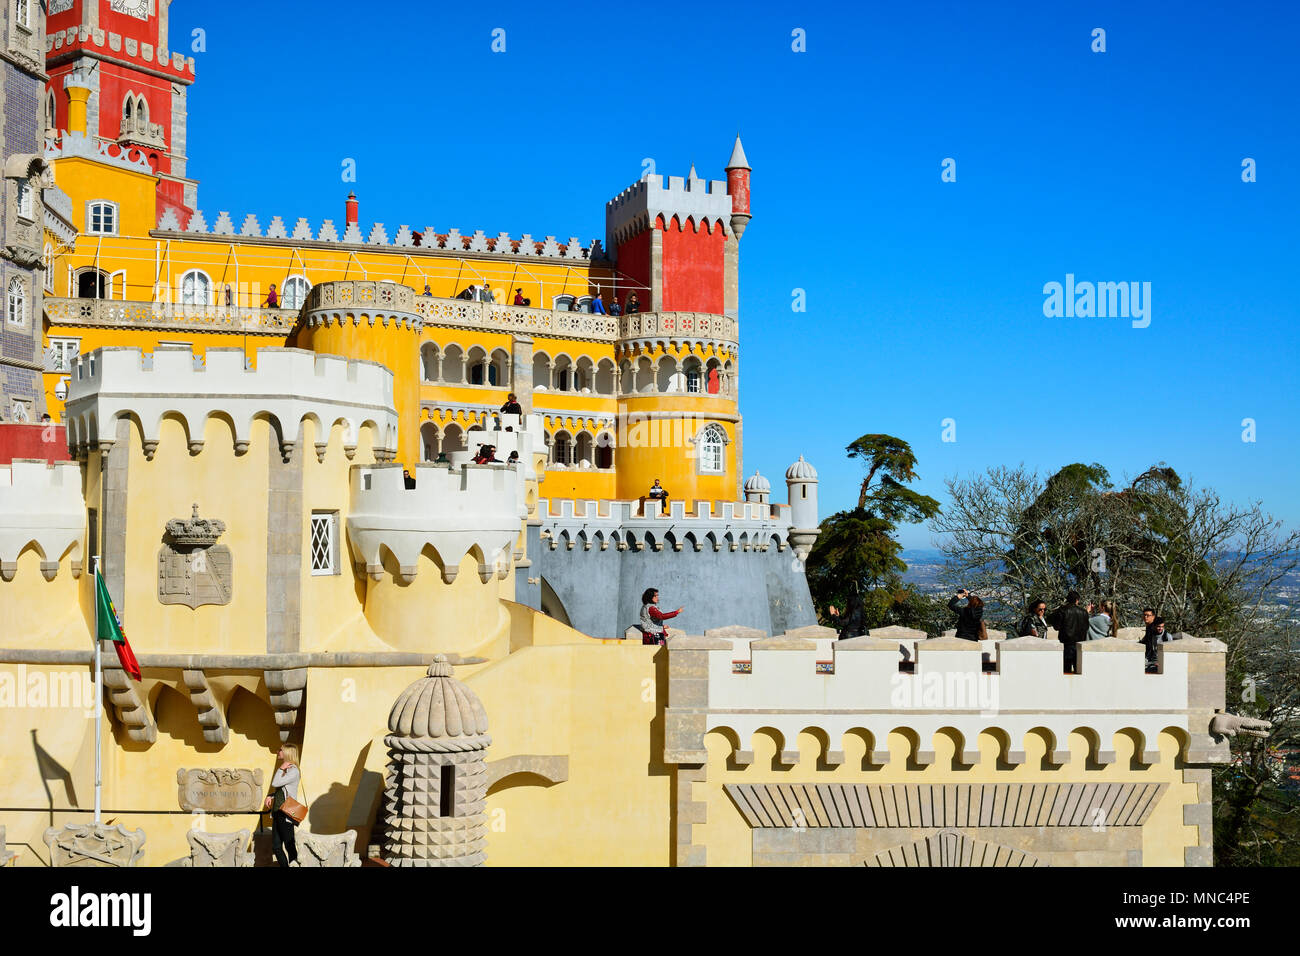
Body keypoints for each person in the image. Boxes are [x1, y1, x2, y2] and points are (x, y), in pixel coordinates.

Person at [263, 744, 301, 868]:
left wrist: (280, 769)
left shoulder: (293, 770)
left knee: (290, 845)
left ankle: (294, 865)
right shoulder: (287, 770)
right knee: (276, 846)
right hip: (277, 812)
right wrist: (271, 796)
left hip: (286, 812)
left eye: (280, 750)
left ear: (287, 753)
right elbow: (282, 789)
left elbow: (275, 782)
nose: (278, 751)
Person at [1047, 590, 1090, 674]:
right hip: (1080, 645)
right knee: (1080, 671)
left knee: (1066, 672)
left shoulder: (1062, 610)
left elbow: (1056, 626)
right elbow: (1086, 627)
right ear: (1077, 600)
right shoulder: (1084, 612)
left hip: (1066, 644)